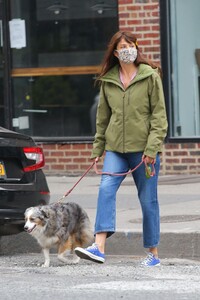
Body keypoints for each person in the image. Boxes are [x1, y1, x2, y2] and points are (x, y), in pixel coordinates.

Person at [75, 31, 168, 267]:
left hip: (144, 151)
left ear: (136, 48)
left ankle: (154, 254)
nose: (127, 50)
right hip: (116, 149)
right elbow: (102, 118)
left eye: (130, 45)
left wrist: (152, 148)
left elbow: (159, 117)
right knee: (105, 189)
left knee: (148, 201)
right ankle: (99, 247)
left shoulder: (150, 77)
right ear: (115, 53)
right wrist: (98, 150)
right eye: (122, 47)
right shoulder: (109, 80)